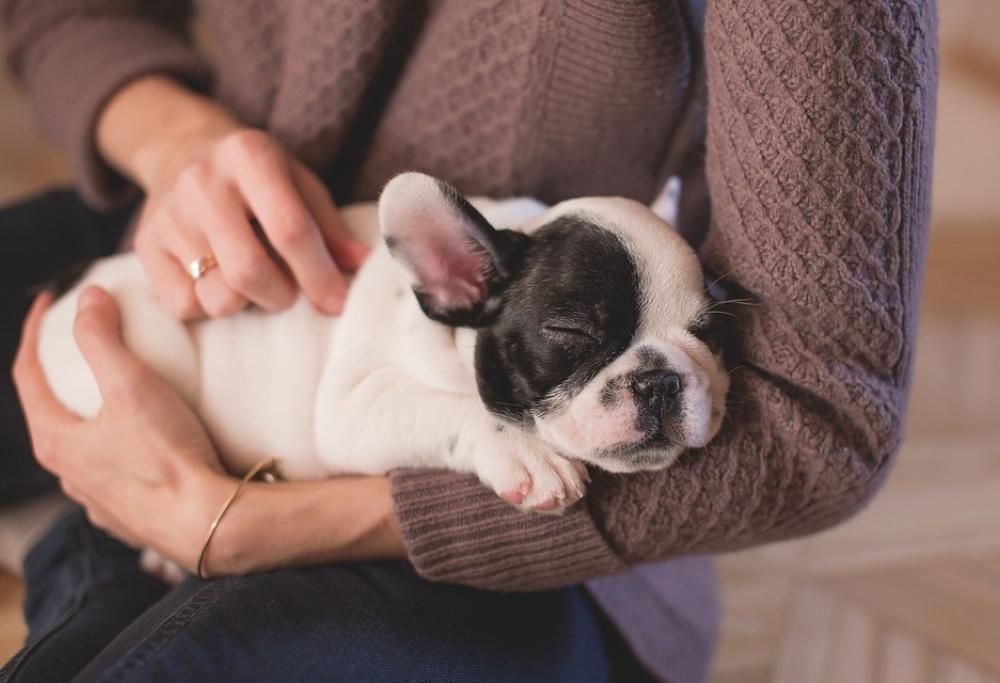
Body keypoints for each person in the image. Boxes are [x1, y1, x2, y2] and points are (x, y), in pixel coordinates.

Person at [0, 1, 937, 681]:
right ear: (453, 282)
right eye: (582, 341)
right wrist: (177, 143)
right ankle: (100, 555)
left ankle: (89, 563)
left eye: (699, 338)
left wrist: (239, 527)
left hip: (516, 554)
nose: (656, 382)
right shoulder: (472, 278)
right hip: (196, 257)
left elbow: (822, 415)